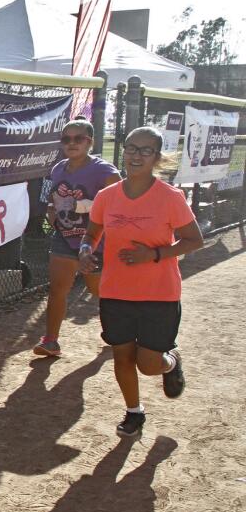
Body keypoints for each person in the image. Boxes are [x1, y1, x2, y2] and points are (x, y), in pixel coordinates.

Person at [79, 126, 203, 437]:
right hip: (116, 291)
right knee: (122, 355)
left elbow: (193, 240)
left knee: (148, 364)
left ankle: (171, 362)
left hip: (159, 293)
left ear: (157, 158)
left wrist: (155, 254)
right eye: (131, 148)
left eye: (145, 151)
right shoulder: (107, 196)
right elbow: (92, 233)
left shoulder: (170, 197)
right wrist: (85, 250)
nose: (136, 155)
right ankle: (134, 412)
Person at [32, 119, 121, 357]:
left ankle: (115, 331)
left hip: (95, 241)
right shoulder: (57, 168)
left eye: (78, 138)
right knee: (57, 289)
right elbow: (51, 199)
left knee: (97, 289)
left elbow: (120, 205)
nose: (71, 143)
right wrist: (53, 215)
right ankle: (51, 341)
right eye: (66, 139)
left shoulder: (105, 171)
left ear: (89, 142)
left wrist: (82, 206)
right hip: (65, 238)